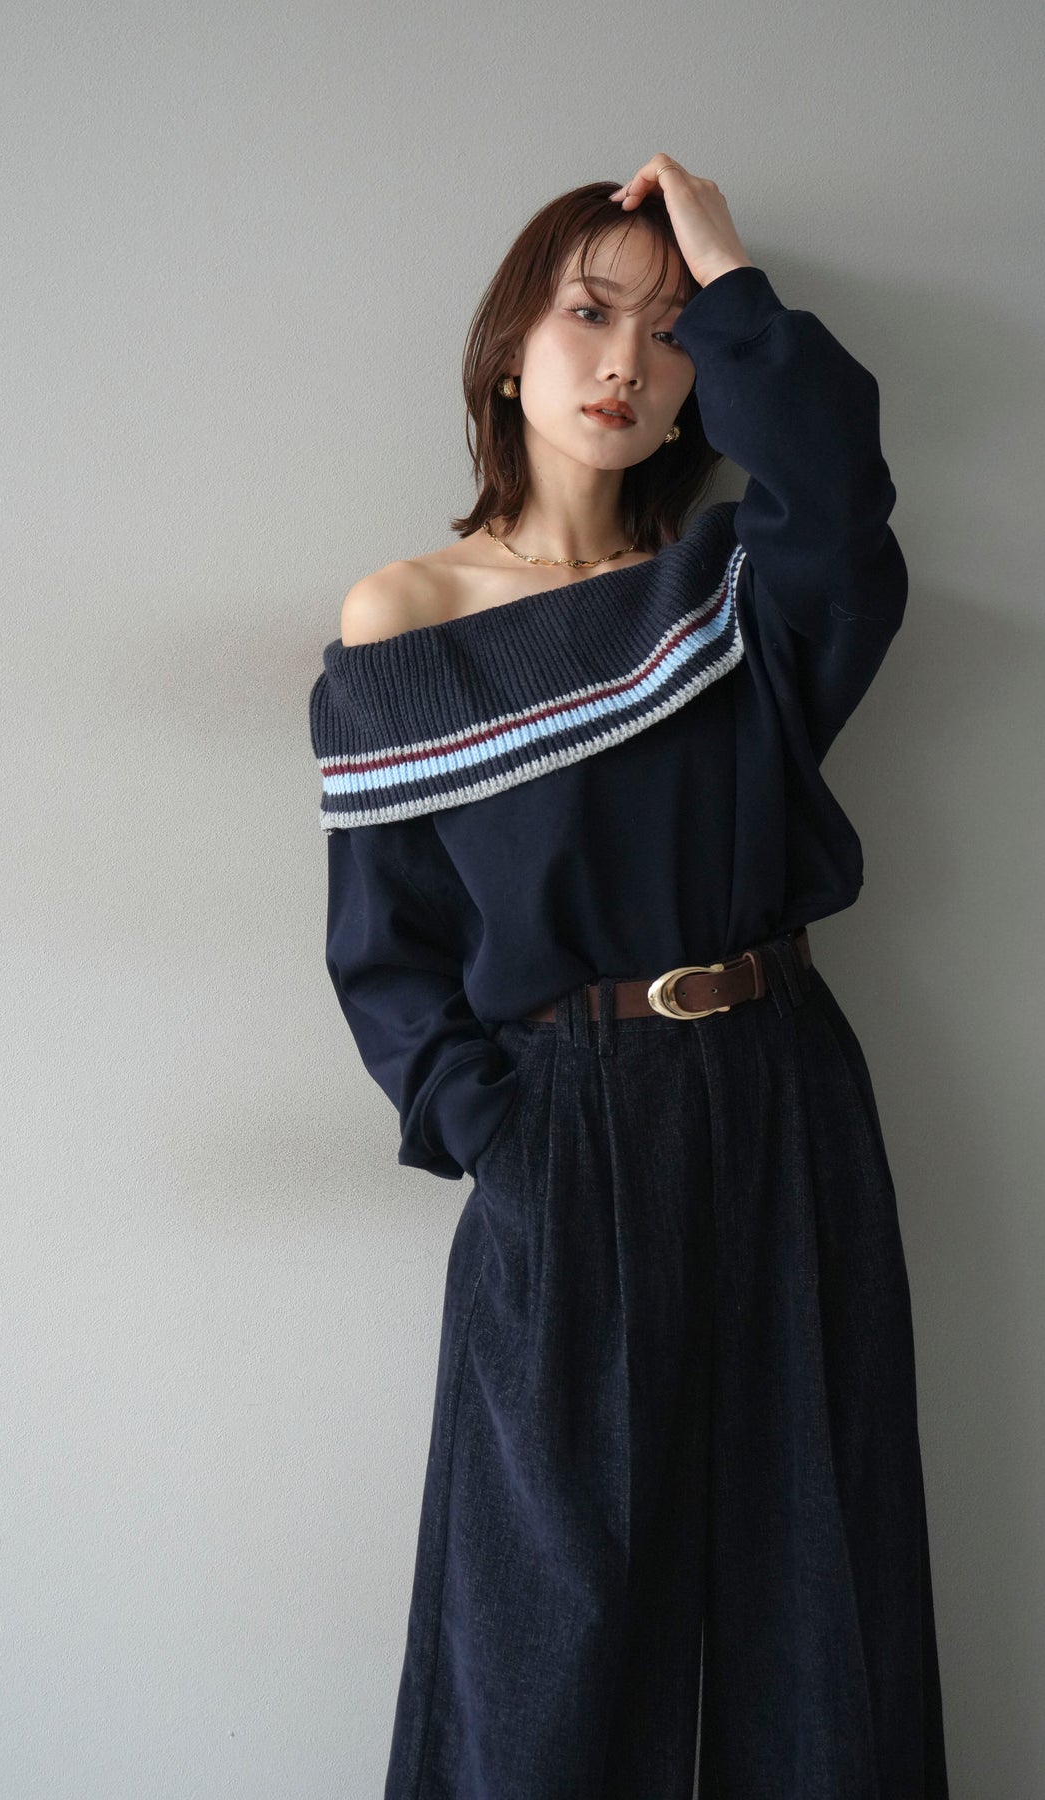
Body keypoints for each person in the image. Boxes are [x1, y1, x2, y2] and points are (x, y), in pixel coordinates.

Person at [307, 158, 950, 1799]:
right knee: (548, 1609)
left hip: (784, 1096)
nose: (623, 364)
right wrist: (500, 1133)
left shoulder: (732, 592)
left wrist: (727, 279)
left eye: (668, 335)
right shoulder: (405, 618)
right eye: (587, 313)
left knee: (813, 1569)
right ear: (504, 350)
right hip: (567, 1125)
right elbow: (386, 951)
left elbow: (843, 506)